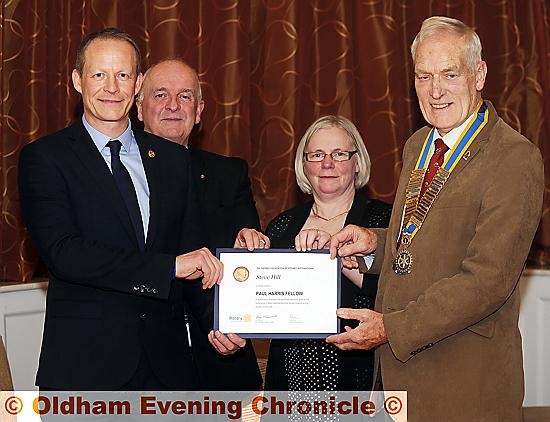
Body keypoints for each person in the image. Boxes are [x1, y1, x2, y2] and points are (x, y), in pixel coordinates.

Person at [325, 17, 544, 421]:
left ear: (478, 75)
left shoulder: (514, 158)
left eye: (449, 74)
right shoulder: (418, 144)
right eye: (423, 76)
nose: (435, 91)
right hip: (400, 381)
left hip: (465, 382)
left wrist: (392, 327)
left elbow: (488, 279)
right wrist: (376, 245)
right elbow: (427, 238)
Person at [18, 28, 241, 391]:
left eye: (122, 75)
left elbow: (195, 254)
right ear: (77, 80)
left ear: (137, 83)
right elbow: (65, 253)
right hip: (86, 372)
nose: (111, 87)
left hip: (167, 373)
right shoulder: (45, 159)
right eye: (99, 74)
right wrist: (168, 266)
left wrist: (218, 322)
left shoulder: (172, 161)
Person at [136, 58, 264, 390]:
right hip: (142, 362)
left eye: (186, 96)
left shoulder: (228, 174)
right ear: (139, 107)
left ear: (200, 109)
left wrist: (255, 246)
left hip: (221, 358)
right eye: (160, 94)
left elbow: (248, 258)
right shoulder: (114, 178)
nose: (173, 106)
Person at [262, 115, 392, 391]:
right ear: (304, 165)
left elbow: (397, 292)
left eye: (340, 154)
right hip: (288, 377)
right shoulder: (281, 226)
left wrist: (331, 254)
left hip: (358, 376)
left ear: (357, 163)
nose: (327, 164)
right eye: (317, 154)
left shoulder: (385, 221)